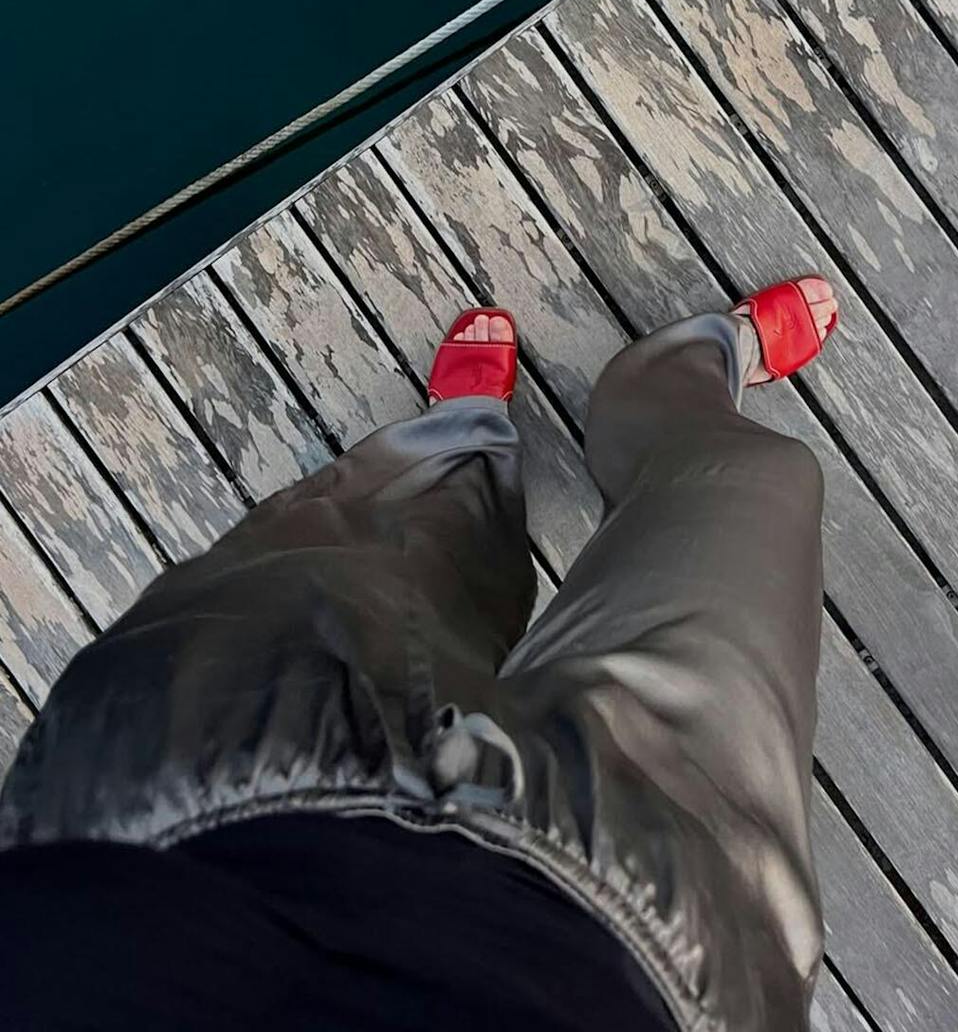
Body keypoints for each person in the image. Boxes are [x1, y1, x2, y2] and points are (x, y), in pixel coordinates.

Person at [0, 276, 838, 1032]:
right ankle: (665, 388)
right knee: (759, 486)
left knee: (387, 547)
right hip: (663, 942)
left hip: (201, 794)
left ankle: (460, 452)